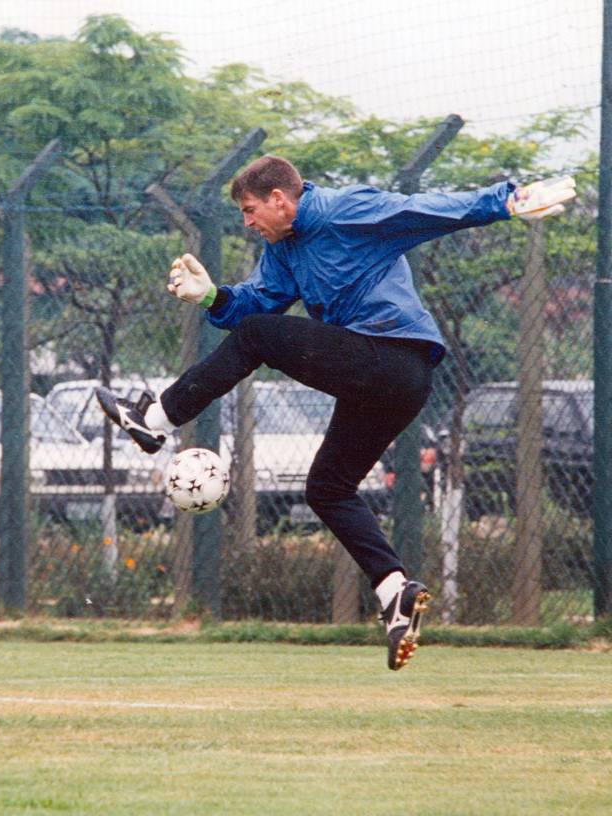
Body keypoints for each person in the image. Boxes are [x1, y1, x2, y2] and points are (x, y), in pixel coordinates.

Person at [97, 156, 575, 670]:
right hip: (381, 379)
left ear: (280, 199)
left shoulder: (347, 209)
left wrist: (505, 200)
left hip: (395, 359)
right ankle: (395, 593)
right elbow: (256, 306)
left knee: (258, 337)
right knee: (326, 489)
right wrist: (213, 296)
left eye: (250, 210)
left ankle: (156, 421)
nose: (247, 222)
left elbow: (426, 209)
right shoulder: (281, 249)